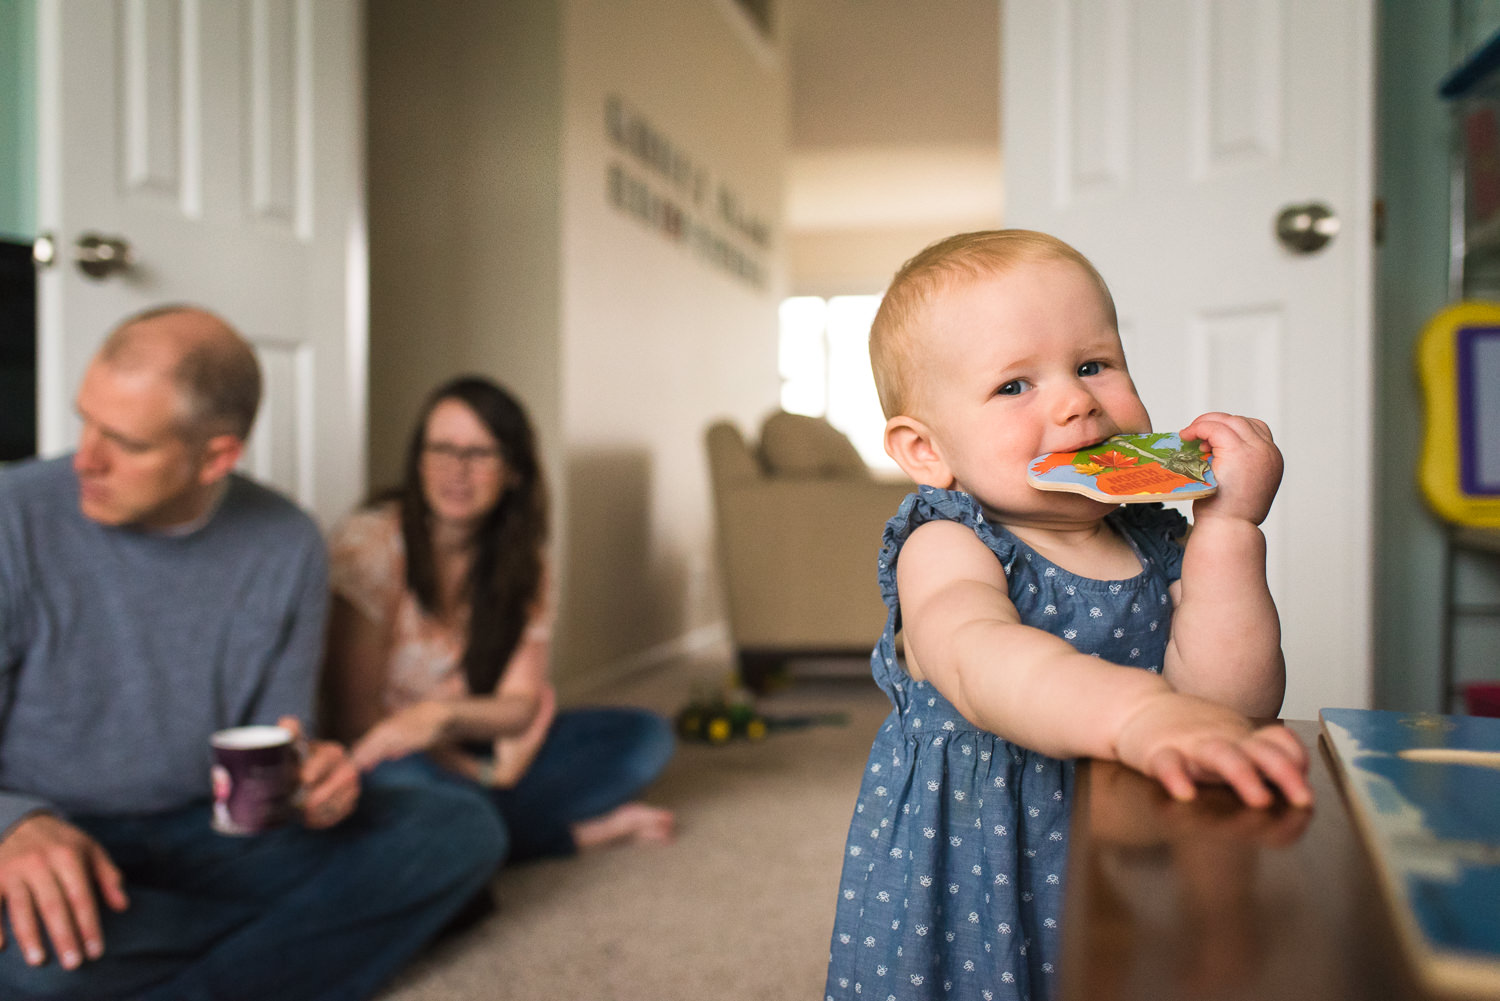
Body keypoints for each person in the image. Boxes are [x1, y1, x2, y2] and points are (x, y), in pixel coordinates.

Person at [823, 231, 1314, 1001]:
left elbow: (1232, 705)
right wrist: (1140, 713)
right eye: (1014, 386)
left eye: (1094, 365)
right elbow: (979, 657)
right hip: (981, 850)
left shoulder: (1152, 533)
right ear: (926, 450)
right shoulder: (948, 541)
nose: (1077, 399)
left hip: (1131, 830)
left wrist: (1229, 528)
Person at [0, 305, 504, 1001]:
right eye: (85, 419)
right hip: (55, 835)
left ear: (217, 456)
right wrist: (13, 826)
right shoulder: (11, 515)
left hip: (211, 833)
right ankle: (363, 928)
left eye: (126, 442)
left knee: (460, 827)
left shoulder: (286, 541)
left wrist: (311, 778)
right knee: (35, 960)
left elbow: (279, 738)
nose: (85, 456)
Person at [323, 375, 675, 865]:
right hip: (387, 760)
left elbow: (520, 708)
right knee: (442, 806)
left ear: (513, 471)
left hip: (472, 744)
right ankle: (564, 835)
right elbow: (357, 725)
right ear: (418, 460)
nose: (457, 470)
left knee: (645, 737)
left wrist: (442, 718)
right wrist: (477, 772)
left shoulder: (524, 563)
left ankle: (474, 840)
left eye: (479, 454)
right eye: (441, 449)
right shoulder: (369, 545)